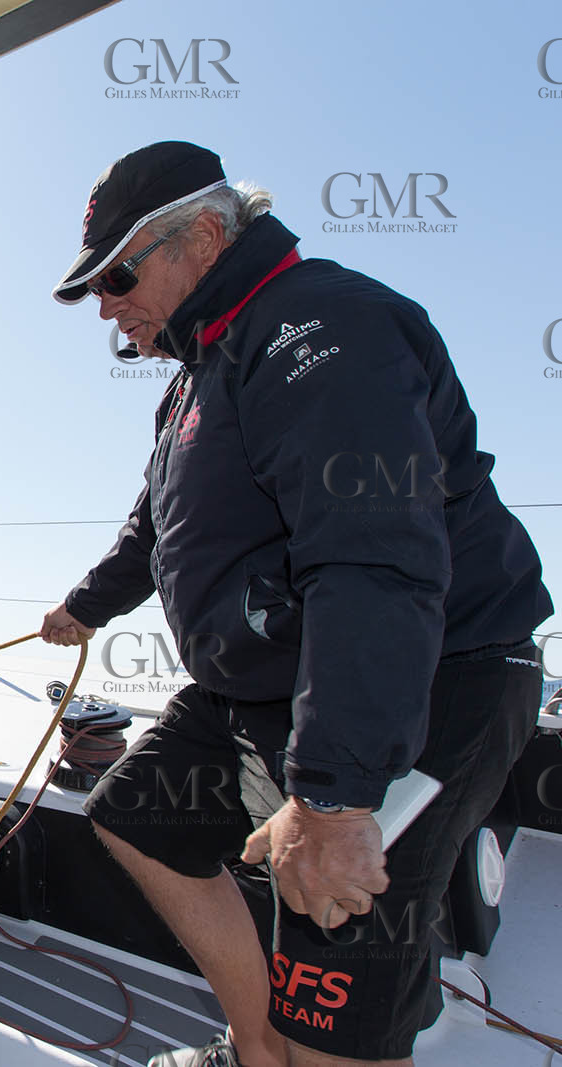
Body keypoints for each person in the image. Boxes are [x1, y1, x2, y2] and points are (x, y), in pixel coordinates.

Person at [40, 141, 552, 1067]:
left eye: (116, 275)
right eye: (93, 290)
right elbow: (154, 531)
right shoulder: (197, 376)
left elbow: (372, 557)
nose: (106, 306)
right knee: (136, 815)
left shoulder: (316, 322)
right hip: (270, 679)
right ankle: (257, 1045)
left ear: (203, 234)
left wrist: (333, 798)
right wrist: (84, 607)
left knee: (331, 968)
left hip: (427, 673)